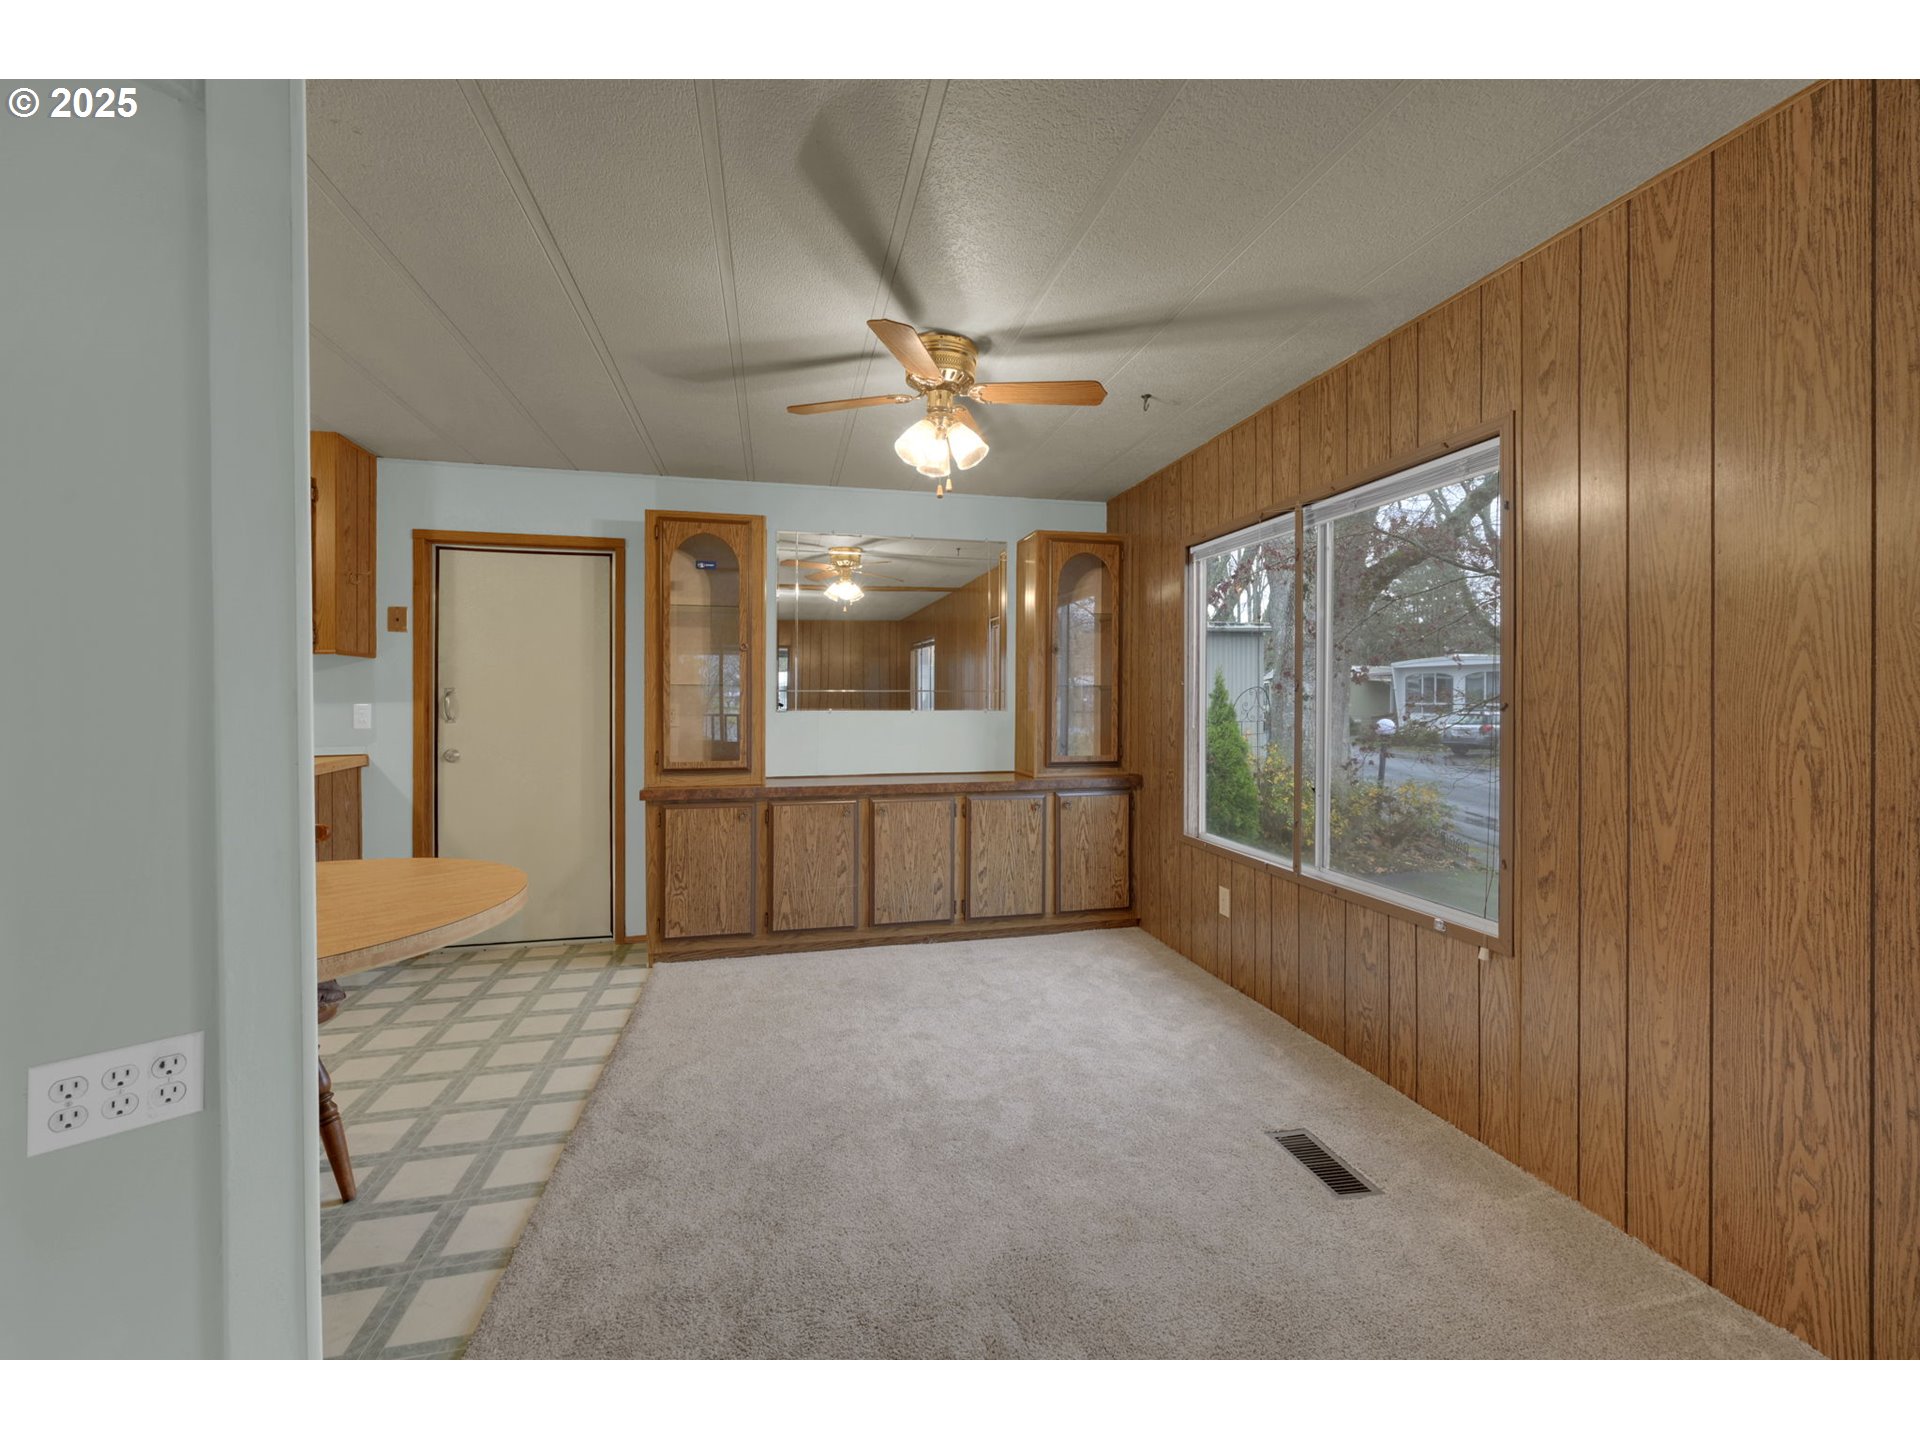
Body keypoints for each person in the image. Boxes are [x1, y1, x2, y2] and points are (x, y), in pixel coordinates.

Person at [1373, 713, 1396, 785]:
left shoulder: (1384, 725)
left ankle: (1380, 786)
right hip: (1384, 736)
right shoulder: (1387, 725)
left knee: (1383, 754)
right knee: (1383, 754)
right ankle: (1380, 785)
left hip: (1385, 736)